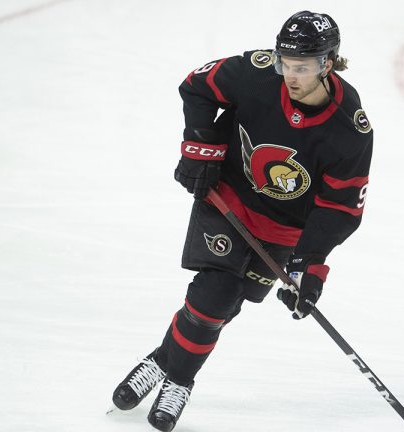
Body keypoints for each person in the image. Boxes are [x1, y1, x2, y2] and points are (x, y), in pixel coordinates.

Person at [110, 10, 373, 432]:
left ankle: (163, 359)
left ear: (328, 63)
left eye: (302, 67)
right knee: (215, 292)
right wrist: (201, 150)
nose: (290, 74)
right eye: (285, 62)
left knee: (227, 304)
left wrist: (309, 263)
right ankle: (180, 379)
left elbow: (340, 207)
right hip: (228, 199)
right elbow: (197, 87)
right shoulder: (257, 73)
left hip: (282, 231)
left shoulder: (350, 130)